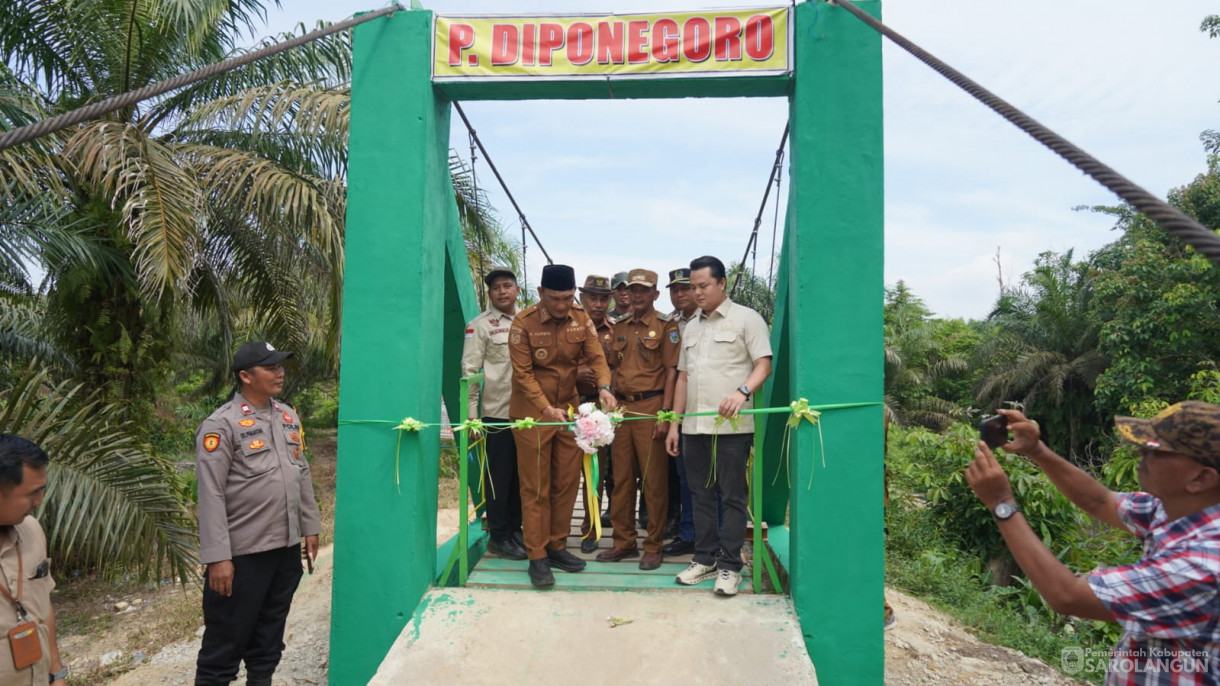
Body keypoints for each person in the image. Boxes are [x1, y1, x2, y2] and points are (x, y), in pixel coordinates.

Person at [965, 402, 1220, 684]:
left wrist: (1002, 503)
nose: (1139, 452)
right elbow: (1099, 501)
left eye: (1155, 449)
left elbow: (1068, 596)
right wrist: (1036, 450)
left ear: (1200, 478)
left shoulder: (1203, 564)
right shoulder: (1174, 510)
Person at [195, 342, 321, 686]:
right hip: (243, 555)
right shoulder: (220, 425)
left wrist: (310, 527)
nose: (279, 372)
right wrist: (218, 557)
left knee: (268, 637)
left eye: (280, 365)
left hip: (284, 549)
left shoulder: (287, 415)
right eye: (270, 367)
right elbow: (210, 494)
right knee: (225, 642)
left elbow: (301, 471)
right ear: (246, 376)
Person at [665, 255, 772, 596]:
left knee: (732, 496)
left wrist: (743, 392)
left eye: (703, 286)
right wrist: (674, 425)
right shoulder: (692, 326)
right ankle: (705, 558)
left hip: (732, 428)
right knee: (700, 495)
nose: (696, 293)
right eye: (692, 287)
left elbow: (763, 364)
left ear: (721, 283)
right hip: (694, 428)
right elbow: (683, 378)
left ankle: (729, 566)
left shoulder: (746, 319)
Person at [509, 265, 617, 587]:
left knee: (566, 483)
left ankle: (557, 545)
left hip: (569, 413)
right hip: (533, 415)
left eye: (568, 298)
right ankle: (537, 555)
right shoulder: (523, 323)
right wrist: (544, 408)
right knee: (536, 487)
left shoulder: (580, 318)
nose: (561, 305)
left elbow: (596, 357)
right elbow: (523, 375)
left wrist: (604, 386)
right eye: (555, 299)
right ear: (541, 294)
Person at [596, 269, 680, 570]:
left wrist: (666, 415)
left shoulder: (666, 327)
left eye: (644, 291)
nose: (637, 295)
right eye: (633, 290)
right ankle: (623, 542)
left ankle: (653, 545)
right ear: (627, 294)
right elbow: (612, 368)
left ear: (655, 294)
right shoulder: (619, 327)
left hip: (651, 408)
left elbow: (672, 372)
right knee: (620, 479)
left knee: (654, 481)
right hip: (621, 411)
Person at [461, 266, 526, 560]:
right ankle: (498, 536)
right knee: (499, 477)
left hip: (526, 413)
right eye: (496, 287)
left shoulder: (528, 321)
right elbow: (470, 372)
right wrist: (472, 415)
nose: (502, 291)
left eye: (507, 286)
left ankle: (516, 530)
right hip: (497, 412)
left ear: (517, 290)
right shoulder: (480, 325)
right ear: (490, 293)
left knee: (520, 476)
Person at [0, 435, 67, 686]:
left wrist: (57, 673)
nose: (39, 501)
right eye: (33, 493)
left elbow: (43, 605)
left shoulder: (31, 530)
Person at [575, 274, 616, 554]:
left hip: (604, 412)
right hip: (570, 406)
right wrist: (576, 373)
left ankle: (593, 529)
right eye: (593, 297)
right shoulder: (569, 325)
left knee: (598, 474)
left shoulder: (617, 331)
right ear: (582, 297)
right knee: (566, 473)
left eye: (604, 298)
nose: (599, 304)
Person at [662, 268, 700, 557]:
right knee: (684, 477)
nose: (680, 294)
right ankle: (688, 532)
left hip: (712, 411)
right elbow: (673, 373)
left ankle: (720, 537)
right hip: (680, 411)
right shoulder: (669, 324)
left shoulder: (710, 319)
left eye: (685, 288)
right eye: (675, 290)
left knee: (719, 481)